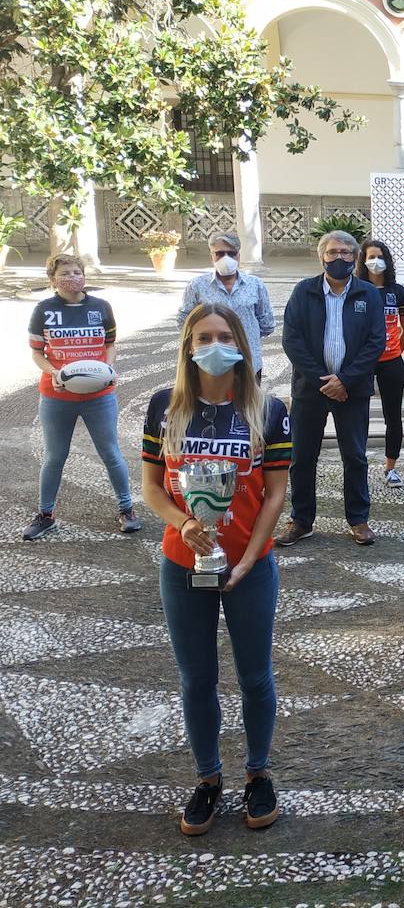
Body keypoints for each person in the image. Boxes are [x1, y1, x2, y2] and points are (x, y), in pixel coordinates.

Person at [140, 304, 291, 836]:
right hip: (183, 564)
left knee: (254, 675)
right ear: (188, 346)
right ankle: (207, 778)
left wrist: (251, 556)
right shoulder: (164, 407)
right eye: (203, 337)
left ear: (241, 346)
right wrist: (183, 524)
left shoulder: (268, 410)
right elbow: (151, 487)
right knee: (197, 678)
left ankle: (257, 773)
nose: (214, 345)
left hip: (251, 565)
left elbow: (275, 494)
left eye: (224, 336)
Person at [278, 230, 385, 547]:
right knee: (302, 456)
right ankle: (301, 520)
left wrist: (345, 380)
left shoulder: (368, 294)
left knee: (355, 455)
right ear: (321, 257)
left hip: (352, 390)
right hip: (310, 389)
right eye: (333, 252)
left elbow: (376, 342)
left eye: (345, 253)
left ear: (355, 258)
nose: (339, 258)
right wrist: (324, 380)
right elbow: (292, 340)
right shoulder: (304, 291)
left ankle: (358, 519)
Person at [23, 253, 140, 540]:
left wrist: (108, 367)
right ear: (53, 279)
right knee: (54, 456)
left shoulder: (101, 307)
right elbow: (37, 352)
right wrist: (54, 372)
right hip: (57, 396)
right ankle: (46, 514)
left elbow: (110, 344)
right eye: (65, 273)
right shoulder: (44, 310)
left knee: (110, 452)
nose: (72, 278)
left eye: (77, 272)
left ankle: (127, 509)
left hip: (99, 395)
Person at [176, 232, 275, 380]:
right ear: (211, 257)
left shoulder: (255, 285)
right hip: (210, 364)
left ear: (238, 256)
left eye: (231, 254)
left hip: (248, 362)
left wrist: (246, 336)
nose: (226, 258)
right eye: (220, 254)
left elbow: (267, 324)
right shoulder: (197, 286)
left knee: (249, 396)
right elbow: (184, 321)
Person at [358, 239, 404, 489]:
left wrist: (396, 350)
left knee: (393, 415)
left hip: (391, 362)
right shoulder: (356, 289)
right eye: (371, 257)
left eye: (380, 256)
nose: (375, 261)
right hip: (363, 364)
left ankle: (391, 468)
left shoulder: (397, 291)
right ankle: (358, 465)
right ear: (363, 260)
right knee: (359, 416)